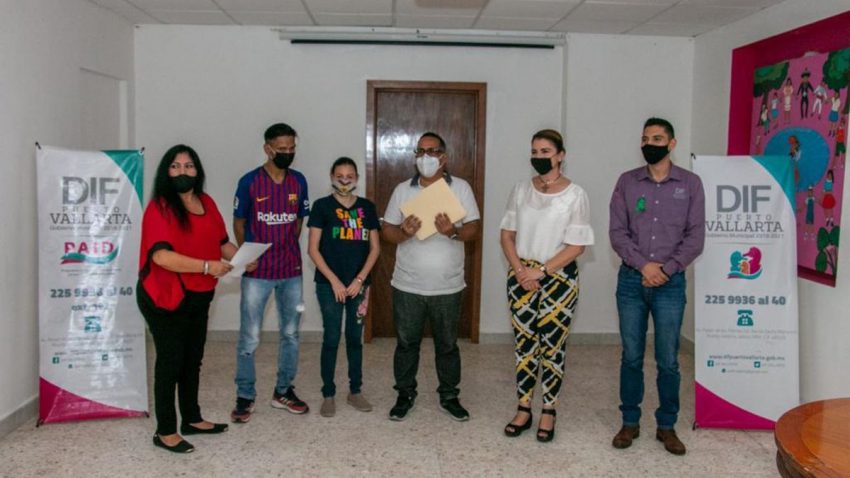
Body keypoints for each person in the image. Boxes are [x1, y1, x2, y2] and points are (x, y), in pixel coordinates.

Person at [138, 144, 252, 453]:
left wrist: (244, 259)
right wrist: (206, 266)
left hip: (199, 295)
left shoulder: (207, 203)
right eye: (175, 166)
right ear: (166, 171)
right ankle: (165, 431)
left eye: (188, 166)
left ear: (197, 171)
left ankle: (192, 419)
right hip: (165, 296)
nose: (182, 171)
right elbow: (161, 257)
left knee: (192, 360)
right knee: (171, 362)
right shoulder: (160, 208)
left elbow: (222, 243)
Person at [609, 118, 705, 456]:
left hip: (670, 284)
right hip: (631, 281)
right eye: (646, 138)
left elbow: (695, 236)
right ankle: (629, 421)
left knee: (668, 359)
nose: (650, 144)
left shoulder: (690, 183)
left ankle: (667, 425)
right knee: (632, 356)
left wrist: (666, 269)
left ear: (672, 144)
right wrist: (644, 265)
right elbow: (617, 232)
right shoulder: (627, 181)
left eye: (658, 138)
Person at [500, 129, 594, 442]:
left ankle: (549, 410)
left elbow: (577, 246)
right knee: (524, 344)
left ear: (560, 155)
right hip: (520, 277)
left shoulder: (575, 194)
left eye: (545, 152)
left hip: (558, 279)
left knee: (552, 346)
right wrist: (521, 271)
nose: (539, 157)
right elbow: (507, 235)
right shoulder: (520, 190)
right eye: (534, 152)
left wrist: (540, 271)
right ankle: (524, 407)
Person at [382, 132, 481, 422]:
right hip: (407, 284)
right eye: (420, 151)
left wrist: (453, 231)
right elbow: (387, 230)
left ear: (443, 157)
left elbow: (474, 228)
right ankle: (404, 394)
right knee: (406, 344)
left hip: (448, 285)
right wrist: (403, 232)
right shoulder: (403, 189)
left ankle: (449, 396)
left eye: (432, 151)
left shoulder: (460, 188)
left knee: (447, 345)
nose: (426, 157)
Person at [231, 123, 311, 423]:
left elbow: (298, 222)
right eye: (281, 149)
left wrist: (287, 245)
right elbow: (239, 222)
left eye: (292, 148)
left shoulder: (299, 181)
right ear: (268, 149)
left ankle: (283, 391)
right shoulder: (249, 182)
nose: (288, 153)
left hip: (291, 271)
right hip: (258, 274)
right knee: (250, 337)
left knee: (290, 334)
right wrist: (247, 254)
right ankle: (245, 394)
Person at [307, 157, 381, 417]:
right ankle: (328, 393)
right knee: (331, 337)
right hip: (329, 286)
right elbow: (313, 249)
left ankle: (355, 391)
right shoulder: (321, 206)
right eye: (340, 176)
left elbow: (375, 248)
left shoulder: (367, 208)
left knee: (354, 338)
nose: (345, 180)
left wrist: (359, 280)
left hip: (359, 285)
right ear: (332, 177)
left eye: (350, 176)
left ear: (357, 178)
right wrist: (334, 281)